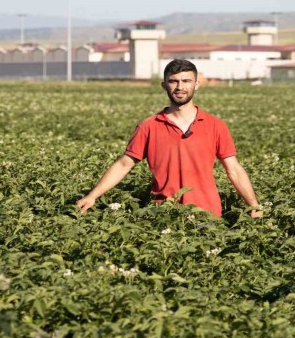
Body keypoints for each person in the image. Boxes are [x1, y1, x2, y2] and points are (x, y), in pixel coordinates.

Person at [76, 59, 262, 218]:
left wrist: (254, 205)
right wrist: (93, 195)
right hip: (164, 214)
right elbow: (124, 164)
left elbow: (234, 169)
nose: (180, 87)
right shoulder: (149, 126)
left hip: (208, 215)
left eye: (186, 81)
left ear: (196, 84)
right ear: (164, 85)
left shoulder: (215, 125)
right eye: (173, 81)